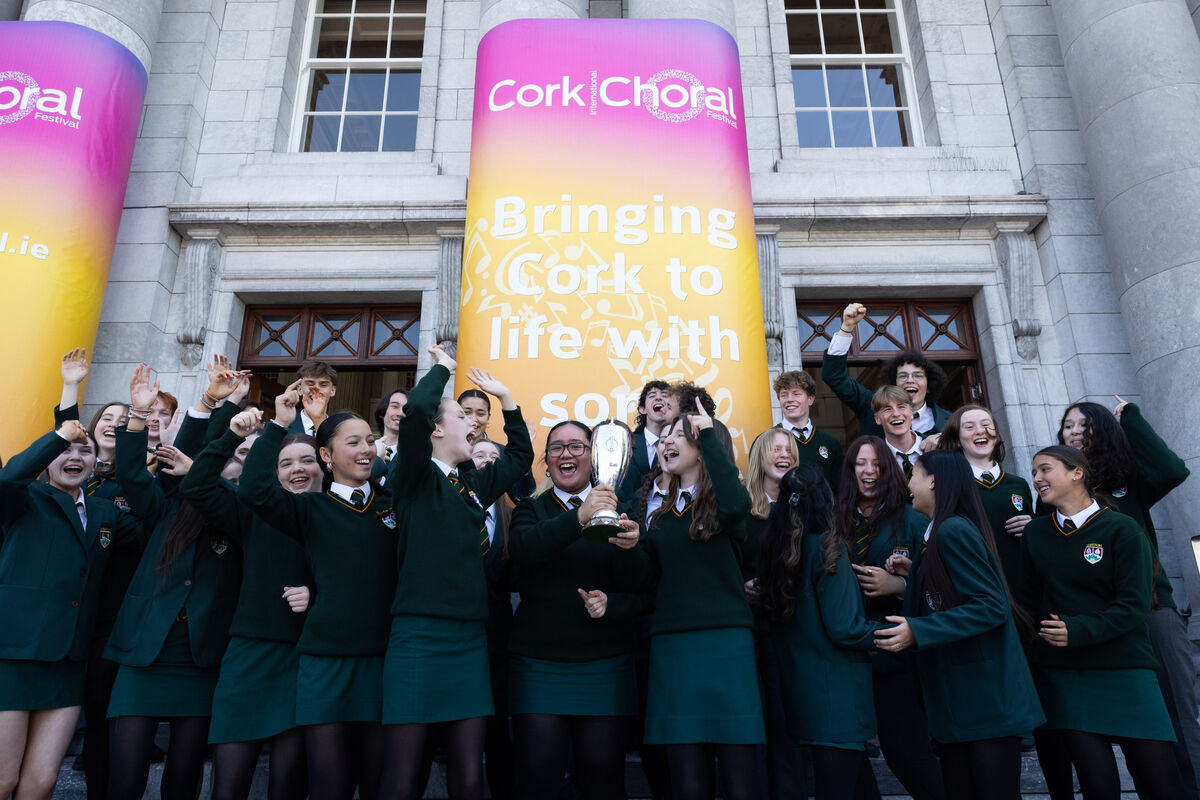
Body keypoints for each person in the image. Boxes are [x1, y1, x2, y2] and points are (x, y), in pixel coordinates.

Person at [380, 345, 533, 800]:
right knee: (404, 775)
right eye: (461, 417)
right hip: (419, 636)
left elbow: (520, 458)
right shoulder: (413, 475)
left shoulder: (469, 483)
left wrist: (508, 402)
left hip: (469, 639)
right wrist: (444, 369)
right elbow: (416, 413)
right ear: (437, 428)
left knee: (470, 775)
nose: (473, 423)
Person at [238, 383, 398, 800]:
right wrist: (278, 424)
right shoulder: (310, 508)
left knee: (379, 781)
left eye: (370, 441)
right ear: (326, 456)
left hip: (382, 663)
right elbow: (255, 489)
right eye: (353, 442)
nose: (366, 449)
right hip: (324, 665)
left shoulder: (394, 506)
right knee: (329, 784)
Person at [104, 365, 246, 800]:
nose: (218, 465)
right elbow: (132, 473)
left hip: (201, 658)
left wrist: (232, 411)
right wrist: (137, 414)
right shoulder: (165, 506)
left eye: (230, 460)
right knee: (125, 780)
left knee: (183, 780)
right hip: (144, 653)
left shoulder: (244, 514)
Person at [875, 450, 1043, 800]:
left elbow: (990, 606)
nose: (909, 484)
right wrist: (918, 575)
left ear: (933, 481)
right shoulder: (937, 534)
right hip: (962, 706)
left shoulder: (952, 530)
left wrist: (916, 630)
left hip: (983, 703)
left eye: (914, 475)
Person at [1020, 445, 1185, 800]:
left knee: (1160, 782)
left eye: (1045, 470)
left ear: (1076, 473)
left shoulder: (1122, 529)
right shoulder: (1035, 534)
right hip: (1067, 676)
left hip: (1126, 668)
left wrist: (1078, 630)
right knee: (1097, 786)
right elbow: (1029, 602)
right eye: (1034, 472)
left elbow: (1134, 606)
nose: (1036, 479)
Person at [1057, 398, 1200, 797]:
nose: (1074, 433)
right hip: (1099, 624)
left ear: (1101, 431)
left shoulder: (1127, 479)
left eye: (1083, 426)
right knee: (1139, 733)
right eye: (1068, 426)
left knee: (1179, 716)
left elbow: (1173, 469)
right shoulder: (1053, 493)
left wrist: (1132, 419)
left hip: (1152, 611)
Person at [623, 400, 765, 800]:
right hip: (671, 649)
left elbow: (736, 503)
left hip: (725, 646)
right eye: (662, 438)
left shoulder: (726, 506)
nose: (666, 442)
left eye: (678, 437)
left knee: (739, 782)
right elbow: (646, 582)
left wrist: (706, 432)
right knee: (686, 783)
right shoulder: (659, 517)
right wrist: (631, 546)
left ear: (703, 447)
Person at [179, 399, 317, 800]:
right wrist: (238, 435)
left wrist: (317, 593)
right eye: (285, 463)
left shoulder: (336, 511)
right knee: (229, 785)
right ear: (271, 472)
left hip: (306, 657)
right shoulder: (254, 509)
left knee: (287, 785)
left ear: (322, 465)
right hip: (249, 653)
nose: (297, 470)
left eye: (306, 460)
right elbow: (197, 485)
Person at [0, 420, 142, 800]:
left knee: (42, 782)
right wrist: (63, 433)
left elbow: (154, 516)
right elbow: (11, 476)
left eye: (85, 450)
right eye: (66, 450)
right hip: (13, 657)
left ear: (97, 461)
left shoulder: (104, 512)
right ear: (48, 460)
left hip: (67, 662)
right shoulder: (24, 498)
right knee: (2, 779)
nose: (75, 457)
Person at [506, 420, 643, 800]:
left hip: (606, 664)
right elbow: (524, 551)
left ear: (594, 458)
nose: (565, 454)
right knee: (538, 775)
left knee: (603, 778)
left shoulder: (621, 511)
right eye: (556, 448)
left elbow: (640, 586)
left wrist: (630, 552)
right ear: (546, 462)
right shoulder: (530, 510)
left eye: (576, 447)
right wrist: (579, 517)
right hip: (539, 665)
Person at [755, 465, 883, 800]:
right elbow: (844, 628)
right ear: (826, 500)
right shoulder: (829, 550)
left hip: (803, 699)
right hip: (838, 701)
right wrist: (896, 633)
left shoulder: (777, 551)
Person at [833, 436, 944, 800]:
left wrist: (898, 585)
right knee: (848, 761)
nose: (868, 472)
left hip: (897, 657)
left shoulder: (912, 521)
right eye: (860, 464)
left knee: (907, 755)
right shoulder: (833, 521)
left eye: (877, 465)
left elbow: (939, 589)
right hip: (845, 658)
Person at [741, 427, 804, 800]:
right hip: (752, 630)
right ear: (760, 457)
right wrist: (741, 588)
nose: (784, 455)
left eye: (789, 449)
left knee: (786, 723)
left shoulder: (807, 508)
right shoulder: (742, 511)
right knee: (758, 721)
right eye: (775, 449)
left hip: (795, 630)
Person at [934, 405, 1032, 587]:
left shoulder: (1019, 485)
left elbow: (1037, 539)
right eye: (969, 427)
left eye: (986, 425)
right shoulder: (948, 488)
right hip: (977, 588)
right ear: (956, 440)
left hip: (1023, 589)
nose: (980, 431)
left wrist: (1033, 528)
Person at [821, 302, 950, 438]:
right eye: (903, 376)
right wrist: (847, 328)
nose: (910, 380)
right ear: (893, 384)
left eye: (917, 376)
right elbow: (834, 376)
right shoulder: (871, 406)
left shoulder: (951, 421)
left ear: (929, 385)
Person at [773, 370, 841, 490]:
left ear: (810, 399)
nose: (789, 399)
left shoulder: (831, 444)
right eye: (784, 395)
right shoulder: (765, 441)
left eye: (796, 394)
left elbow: (838, 492)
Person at [618, 381, 676, 504]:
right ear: (643, 409)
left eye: (665, 395)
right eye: (652, 395)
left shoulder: (680, 444)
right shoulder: (626, 442)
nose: (659, 397)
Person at [872, 386, 923, 478]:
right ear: (877, 419)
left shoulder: (936, 447)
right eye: (887, 409)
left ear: (911, 413)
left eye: (901, 407)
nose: (896, 414)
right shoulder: (874, 459)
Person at [288, 360, 338, 437]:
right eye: (310, 384)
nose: (316, 389)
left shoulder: (340, 430)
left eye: (323, 385)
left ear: (333, 390)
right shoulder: (282, 426)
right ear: (299, 389)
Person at [374, 388, 408, 463]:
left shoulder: (415, 454)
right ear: (382, 412)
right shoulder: (367, 450)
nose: (400, 413)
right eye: (395, 406)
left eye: (406, 409)